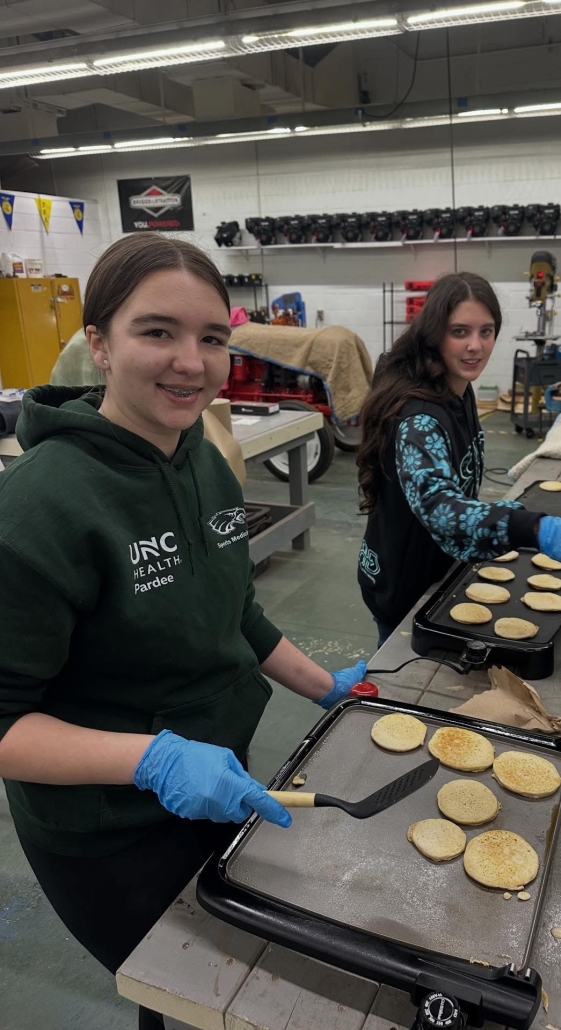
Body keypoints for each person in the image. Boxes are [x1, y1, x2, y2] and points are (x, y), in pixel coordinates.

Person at [0, 233, 367, 1030]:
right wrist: (153, 758)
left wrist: (327, 687)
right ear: (98, 342)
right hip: (104, 829)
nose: (191, 362)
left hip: (212, 779)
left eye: (212, 338)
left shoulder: (203, 456)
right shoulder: (36, 509)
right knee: (194, 996)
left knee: (218, 985)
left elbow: (229, 606)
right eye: (156, 331)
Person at [357, 272, 561, 645]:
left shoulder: (459, 388)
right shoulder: (418, 417)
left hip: (439, 566)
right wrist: (535, 528)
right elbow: (439, 506)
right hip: (404, 582)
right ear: (435, 333)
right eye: (460, 331)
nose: (475, 346)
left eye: (486, 331)